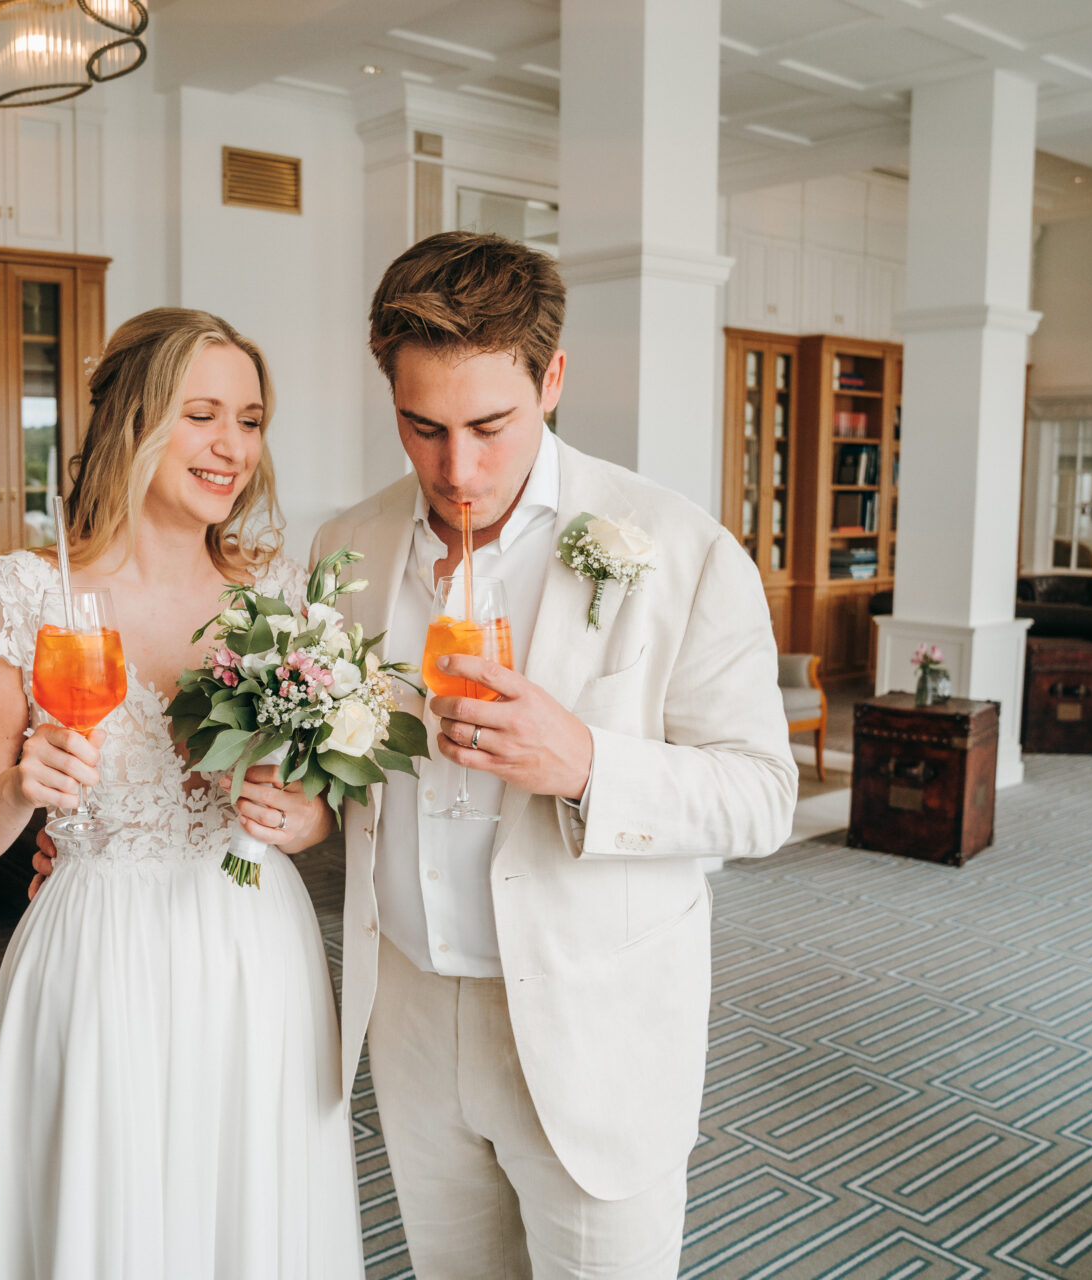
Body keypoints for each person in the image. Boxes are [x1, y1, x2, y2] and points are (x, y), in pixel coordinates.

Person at [313, 232, 798, 1277]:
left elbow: (762, 796)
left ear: (554, 378)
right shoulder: (344, 548)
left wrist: (586, 763)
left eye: (492, 424)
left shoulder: (679, 548)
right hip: (405, 1008)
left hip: (594, 1024)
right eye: (422, 427)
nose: (458, 469)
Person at [0, 308, 362, 1279]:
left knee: (247, 1205)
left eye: (250, 419)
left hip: (255, 949)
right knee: (108, 1217)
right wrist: (13, 787)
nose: (232, 446)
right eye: (202, 413)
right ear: (131, 421)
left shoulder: (281, 597)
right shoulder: (29, 594)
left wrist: (306, 817)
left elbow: (318, 798)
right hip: (98, 948)